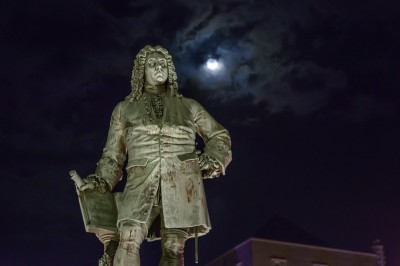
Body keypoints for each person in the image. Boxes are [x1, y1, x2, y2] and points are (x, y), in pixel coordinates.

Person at [80, 45, 232, 266]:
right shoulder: (124, 109)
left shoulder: (189, 106)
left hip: (182, 183)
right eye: (152, 64)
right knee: (129, 237)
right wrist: (99, 183)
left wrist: (211, 159)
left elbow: (220, 135)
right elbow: (113, 156)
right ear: (142, 71)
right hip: (141, 181)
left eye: (163, 64)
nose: (159, 67)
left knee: (174, 249)